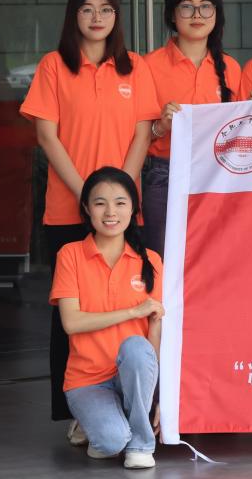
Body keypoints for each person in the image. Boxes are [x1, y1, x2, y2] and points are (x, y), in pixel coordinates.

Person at [20, 0, 160, 439]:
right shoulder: (54, 66)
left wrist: (118, 198)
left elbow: (143, 134)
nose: (97, 18)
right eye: (87, 9)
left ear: (117, 16)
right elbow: (47, 136)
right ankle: (80, 411)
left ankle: (130, 402)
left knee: (127, 308)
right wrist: (89, 196)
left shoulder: (135, 67)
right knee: (71, 316)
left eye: (106, 9)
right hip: (68, 210)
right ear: (73, 16)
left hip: (123, 212)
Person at [51, 166, 164, 470]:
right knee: (111, 442)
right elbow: (71, 323)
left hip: (133, 375)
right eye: (100, 203)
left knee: (136, 347)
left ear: (133, 209)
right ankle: (97, 423)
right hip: (88, 380)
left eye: (120, 202)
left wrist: (157, 395)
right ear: (87, 209)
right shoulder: (70, 255)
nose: (111, 212)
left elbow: (154, 335)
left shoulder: (151, 260)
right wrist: (132, 312)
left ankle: (141, 444)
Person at [143, 0, 240, 256]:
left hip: (218, 177)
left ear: (216, 14)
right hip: (164, 174)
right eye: (187, 6)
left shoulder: (232, 68)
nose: (197, 14)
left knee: (213, 260)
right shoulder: (148, 66)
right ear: (172, 15)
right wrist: (161, 127)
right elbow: (132, 135)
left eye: (205, 6)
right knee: (163, 259)